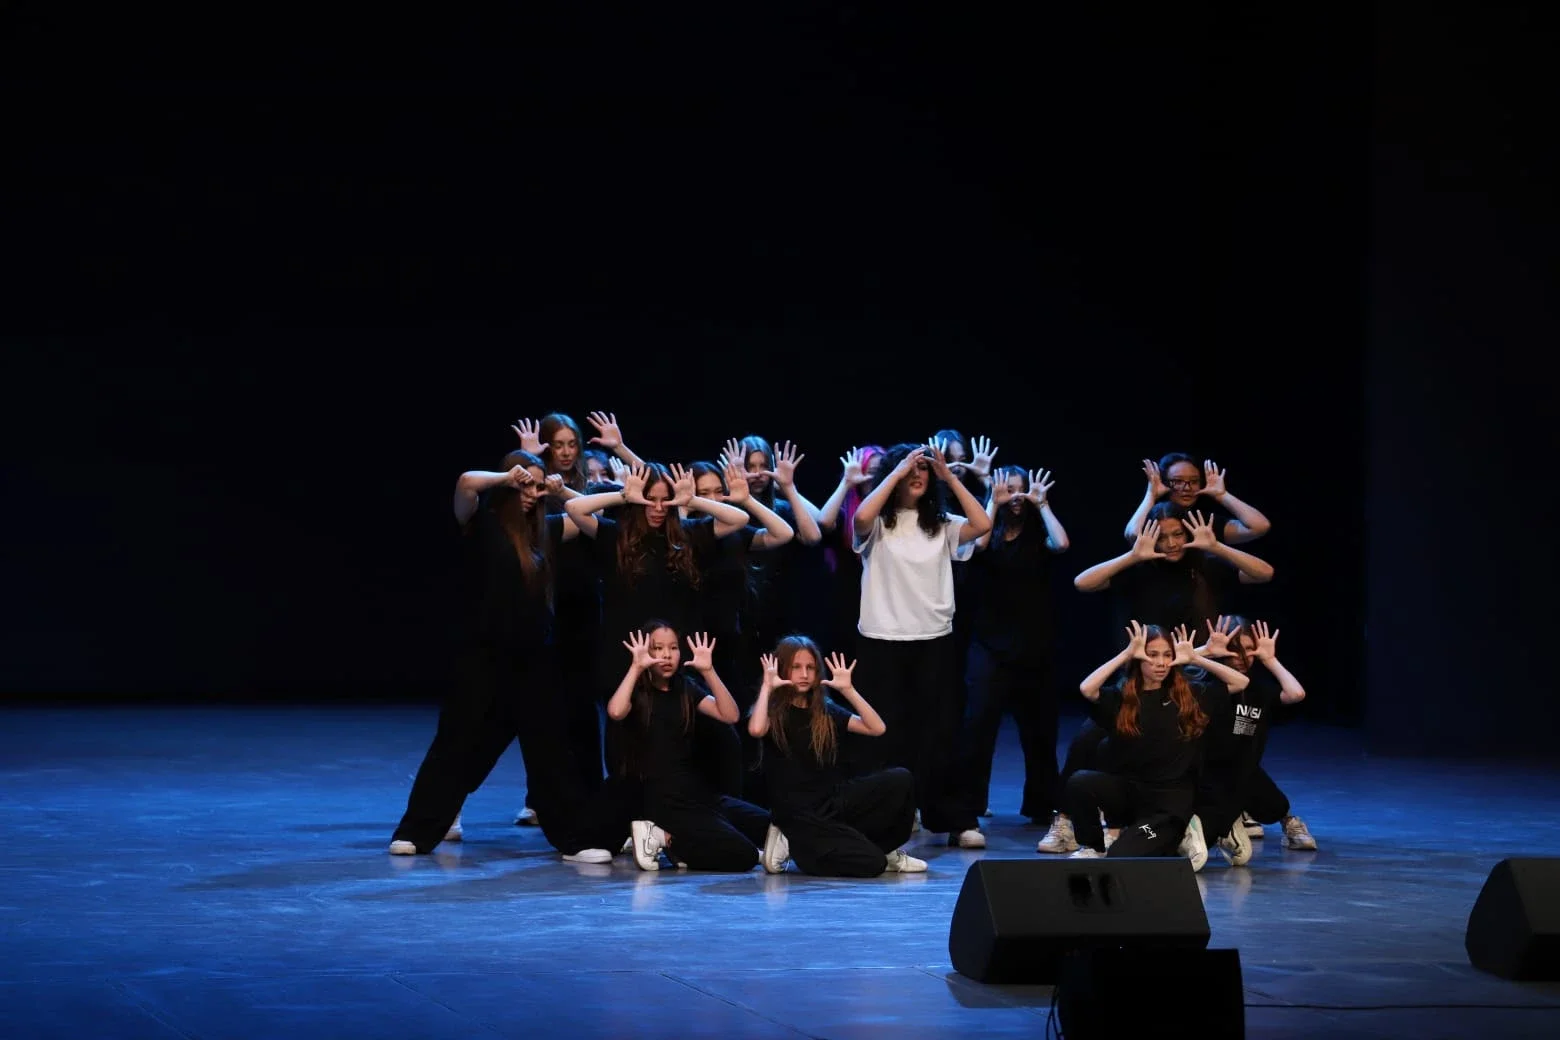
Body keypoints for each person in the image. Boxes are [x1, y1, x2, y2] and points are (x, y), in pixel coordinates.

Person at [387, 452, 616, 864]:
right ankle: (416, 832)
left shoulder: (546, 529)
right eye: (524, 484)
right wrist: (507, 476)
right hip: (484, 658)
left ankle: (574, 839)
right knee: (456, 745)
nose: (531, 493)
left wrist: (560, 490)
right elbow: (465, 482)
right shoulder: (482, 524)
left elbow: (587, 514)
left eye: (536, 486)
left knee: (551, 751)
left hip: (535, 661)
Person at [851, 440, 992, 848]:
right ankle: (887, 816)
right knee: (884, 735)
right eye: (909, 470)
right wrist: (896, 471)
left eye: (923, 470)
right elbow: (860, 517)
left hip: (933, 640)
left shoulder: (942, 523)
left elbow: (982, 524)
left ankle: (952, 818)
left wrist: (948, 476)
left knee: (940, 733)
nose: (917, 476)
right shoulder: (879, 522)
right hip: (882, 638)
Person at [1062, 621, 1249, 861]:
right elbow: (1087, 689)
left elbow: (1240, 682)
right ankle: (1093, 846)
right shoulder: (1123, 699)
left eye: (1167, 655)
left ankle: (1179, 834)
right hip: (1130, 797)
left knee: (1122, 854)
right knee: (1080, 782)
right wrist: (1125, 654)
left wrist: (1195, 658)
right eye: (1152, 655)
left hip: (1165, 809)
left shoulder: (1190, 694)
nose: (1161, 663)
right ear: (1139, 659)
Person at [748, 636, 926, 876]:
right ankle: (791, 840)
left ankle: (885, 849)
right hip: (800, 815)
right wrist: (767, 687)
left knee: (900, 780)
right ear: (783, 669)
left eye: (810, 668)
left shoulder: (824, 709)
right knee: (872, 864)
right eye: (796, 667)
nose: (804, 674)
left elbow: (876, 728)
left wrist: (848, 690)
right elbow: (756, 729)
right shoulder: (774, 711)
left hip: (831, 802)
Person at [609, 623, 770, 871]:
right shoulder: (637, 692)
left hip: (699, 795)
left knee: (768, 825)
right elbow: (616, 711)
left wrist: (709, 671)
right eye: (657, 648)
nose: (666, 655)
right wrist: (635, 667)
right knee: (746, 855)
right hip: (665, 800)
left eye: (673, 648)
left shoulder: (685, 688)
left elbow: (730, 714)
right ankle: (665, 838)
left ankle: (681, 845)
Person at [960, 465, 1069, 824]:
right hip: (989, 643)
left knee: (1040, 730)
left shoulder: (1038, 534)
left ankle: (1042, 804)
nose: (1016, 497)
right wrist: (993, 501)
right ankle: (970, 806)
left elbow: (1061, 544)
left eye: (1020, 490)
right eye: (1008, 489)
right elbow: (976, 544)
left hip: (1035, 644)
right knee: (978, 726)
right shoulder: (987, 530)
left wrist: (1043, 503)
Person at [1192, 617, 1317, 863]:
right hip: (1204, 775)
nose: (1242, 656)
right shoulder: (1203, 684)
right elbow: (1166, 665)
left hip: (1243, 771)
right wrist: (1205, 651)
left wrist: (1270, 660)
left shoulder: (1258, 688)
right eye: (1234, 648)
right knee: (1204, 835)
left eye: (1249, 649)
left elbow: (1296, 693)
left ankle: (1247, 816)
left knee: (1276, 806)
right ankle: (1229, 822)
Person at [1123, 452, 1271, 545]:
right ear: (1164, 482)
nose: (1187, 488)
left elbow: (1260, 526)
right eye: (1178, 481)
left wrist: (1222, 495)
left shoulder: (1205, 523)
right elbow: (1133, 534)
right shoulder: (1152, 521)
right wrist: (1151, 495)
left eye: (1194, 481)